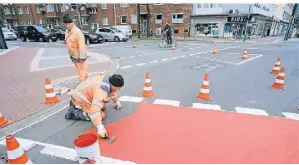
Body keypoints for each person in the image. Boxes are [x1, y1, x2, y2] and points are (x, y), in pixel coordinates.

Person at [65, 73, 124, 138]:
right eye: (119, 88)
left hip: (82, 94)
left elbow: (112, 92)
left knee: (103, 106)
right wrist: (100, 127)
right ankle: (74, 113)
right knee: (101, 115)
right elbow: (95, 111)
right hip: (79, 99)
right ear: (114, 86)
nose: (119, 89)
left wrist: (117, 101)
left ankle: (77, 105)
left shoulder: (108, 81)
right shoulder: (101, 91)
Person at [63, 14, 88, 83]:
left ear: (71, 23)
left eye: (68, 24)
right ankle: (86, 83)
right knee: (81, 71)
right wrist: (71, 55)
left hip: (80, 57)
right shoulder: (67, 31)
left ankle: (82, 85)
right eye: (65, 24)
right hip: (74, 56)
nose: (66, 25)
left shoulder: (77, 32)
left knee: (82, 72)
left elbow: (82, 45)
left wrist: (82, 58)